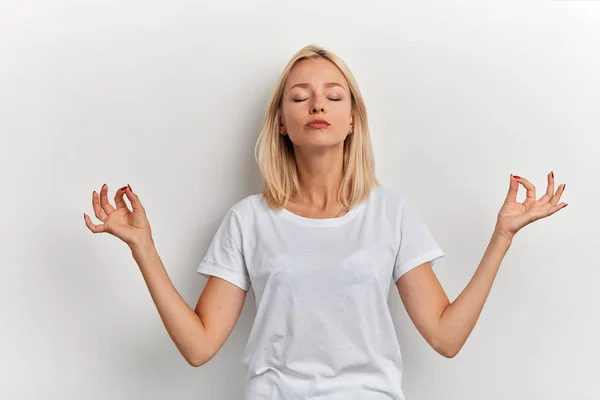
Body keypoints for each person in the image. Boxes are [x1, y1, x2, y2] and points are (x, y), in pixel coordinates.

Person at [83, 44, 568, 399]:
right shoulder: (248, 220)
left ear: (353, 119)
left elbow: (446, 337)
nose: (317, 105)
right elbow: (199, 346)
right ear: (280, 122)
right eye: (300, 97)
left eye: (334, 96)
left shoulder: (389, 212)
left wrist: (502, 236)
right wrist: (142, 246)